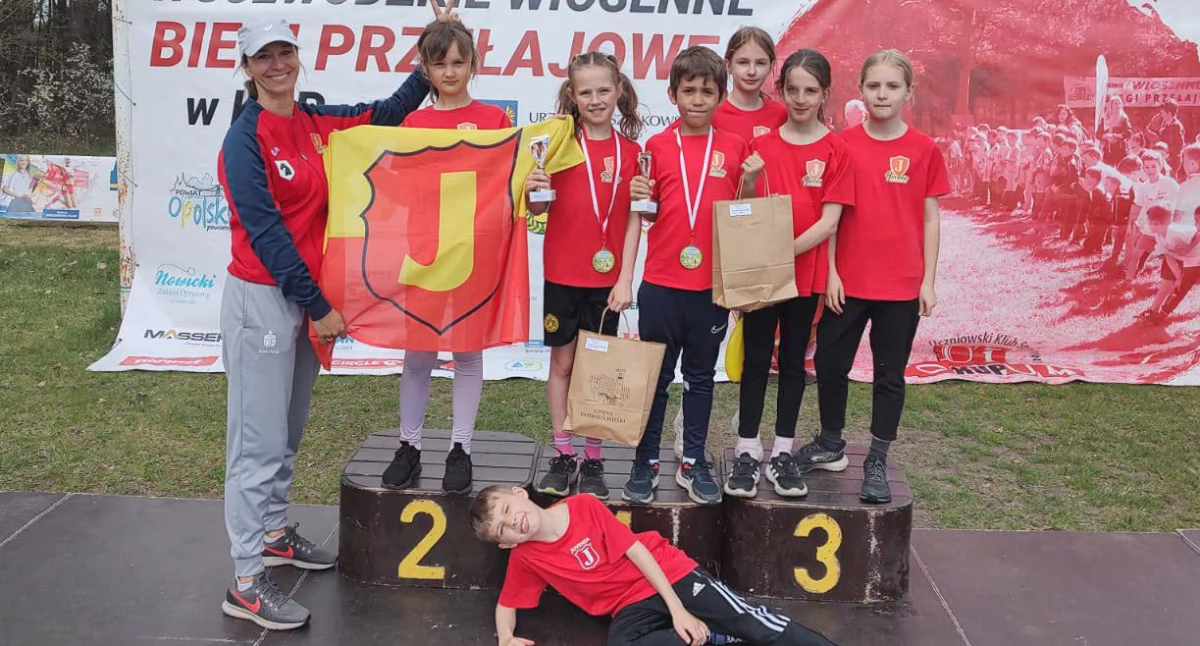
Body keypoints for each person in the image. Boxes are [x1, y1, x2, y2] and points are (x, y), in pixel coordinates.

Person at [217, 6, 443, 630]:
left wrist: (429, 54)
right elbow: (266, 234)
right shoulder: (244, 139)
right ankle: (245, 581)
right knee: (256, 446)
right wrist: (318, 306)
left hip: (304, 300)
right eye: (264, 57)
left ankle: (272, 534)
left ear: (297, 57)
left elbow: (384, 115)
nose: (278, 64)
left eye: (285, 52)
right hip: (264, 297)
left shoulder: (314, 122)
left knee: (286, 430)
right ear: (248, 68)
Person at [794, 49, 949, 505]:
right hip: (849, 282)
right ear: (860, 90)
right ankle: (830, 441)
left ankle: (877, 458)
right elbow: (833, 217)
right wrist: (833, 272)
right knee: (829, 364)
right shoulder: (843, 145)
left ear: (908, 92)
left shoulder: (924, 149)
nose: (883, 94)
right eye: (874, 85)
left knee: (889, 374)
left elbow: (931, 218)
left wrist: (927, 280)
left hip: (901, 286)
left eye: (892, 86)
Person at [380, 17, 512, 495]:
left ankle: (461, 448)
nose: (451, 72)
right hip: (424, 255)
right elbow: (396, 185)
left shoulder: (495, 121)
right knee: (418, 355)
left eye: (459, 62)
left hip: (474, 254)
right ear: (426, 69)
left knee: (467, 354)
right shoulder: (414, 123)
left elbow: (510, 183)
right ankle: (409, 445)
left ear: (474, 64)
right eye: (440, 64)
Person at [623, 47, 757, 506]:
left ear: (721, 95)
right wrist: (640, 193)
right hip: (661, 284)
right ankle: (644, 460)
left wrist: (751, 182)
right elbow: (647, 213)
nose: (697, 100)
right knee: (657, 378)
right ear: (672, 94)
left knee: (700, 378)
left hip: (710, 288)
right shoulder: (657, 148)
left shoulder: (736, 148)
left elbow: (746, 216)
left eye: (707, 91)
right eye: (689, 91)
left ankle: (693, 460)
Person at [470, 486, 838, 646]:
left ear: (519, 494)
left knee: (755, 625)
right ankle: (713, 633)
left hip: (669, 574)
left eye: (508, 510)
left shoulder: (582, 506)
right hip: (630, 605)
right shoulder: (525, 557)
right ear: (506, 543)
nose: (512, 522)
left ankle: (728, 625)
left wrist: (678, 610)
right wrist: (506, 638)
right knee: (623, 644)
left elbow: (637, 552)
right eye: (503, 529)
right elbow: (507, 604)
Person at [724, 49, 853, 500]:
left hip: (804, 275)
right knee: (757, 359)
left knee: (794, 363)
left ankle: (782, 452)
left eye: (810, 91)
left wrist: (782, 254)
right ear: (780, 91)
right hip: (763, 277)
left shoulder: (836, 149)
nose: (800, 99)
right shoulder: (761, 147)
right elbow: (744, 211)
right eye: (793, 89)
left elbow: (829, 222)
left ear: (824, 94)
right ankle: (746, 450)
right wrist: (751, 181)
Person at [529, 51, 644, 500]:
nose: (596, 100)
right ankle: (563, 453)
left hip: (607, 283)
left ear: (619, 91)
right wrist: (535, 191)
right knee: (562, 365)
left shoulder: (632, 153)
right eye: (586, 92)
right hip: (562, 276)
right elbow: (538, 208)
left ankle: (593, 459)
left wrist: (625, 276)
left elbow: (635, 218)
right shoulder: (557, 146)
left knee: (598, 372)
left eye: (603, 90)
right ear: (572, 96)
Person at [714, 27, 787, 143]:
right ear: (728, 65)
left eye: (760, 63)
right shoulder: (712, 113)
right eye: (743, 62)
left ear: (771, 66)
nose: (752, 71)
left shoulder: (780, 115)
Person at [1145, 98, 1186, 180]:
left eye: (1163, 113)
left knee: (1170, 179)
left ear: (1169, 113)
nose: (1161, 115)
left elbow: (1178, 147)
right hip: (1165, 157)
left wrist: (1165, 153)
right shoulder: (1165, 123)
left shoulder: (1176, 126)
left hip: (1172, 159)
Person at [1098, 95, 1133, 166]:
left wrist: (1115, 136)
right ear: (1111, 105)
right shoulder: (1104, 118)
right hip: (1107, 151)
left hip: (1120, 150)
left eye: (1119, 103)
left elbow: (1128, 133)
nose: (1118, 105)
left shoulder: (1123, 118)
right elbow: (1098, 134)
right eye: (1115, 103)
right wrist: (1106, 136)